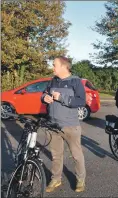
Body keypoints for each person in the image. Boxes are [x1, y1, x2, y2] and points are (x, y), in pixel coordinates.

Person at [41, 56, 86, 192]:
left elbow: (81, 101)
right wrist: (45, 98)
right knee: (56, 155)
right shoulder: (53, 80)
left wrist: (61, 98)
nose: (52, 67)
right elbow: (43, 94)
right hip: (53, 125)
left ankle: (80, 180)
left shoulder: (75, 81)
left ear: (63, 67)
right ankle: (56, 179)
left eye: (54, 65)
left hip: (70, 126)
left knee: (77, 155)